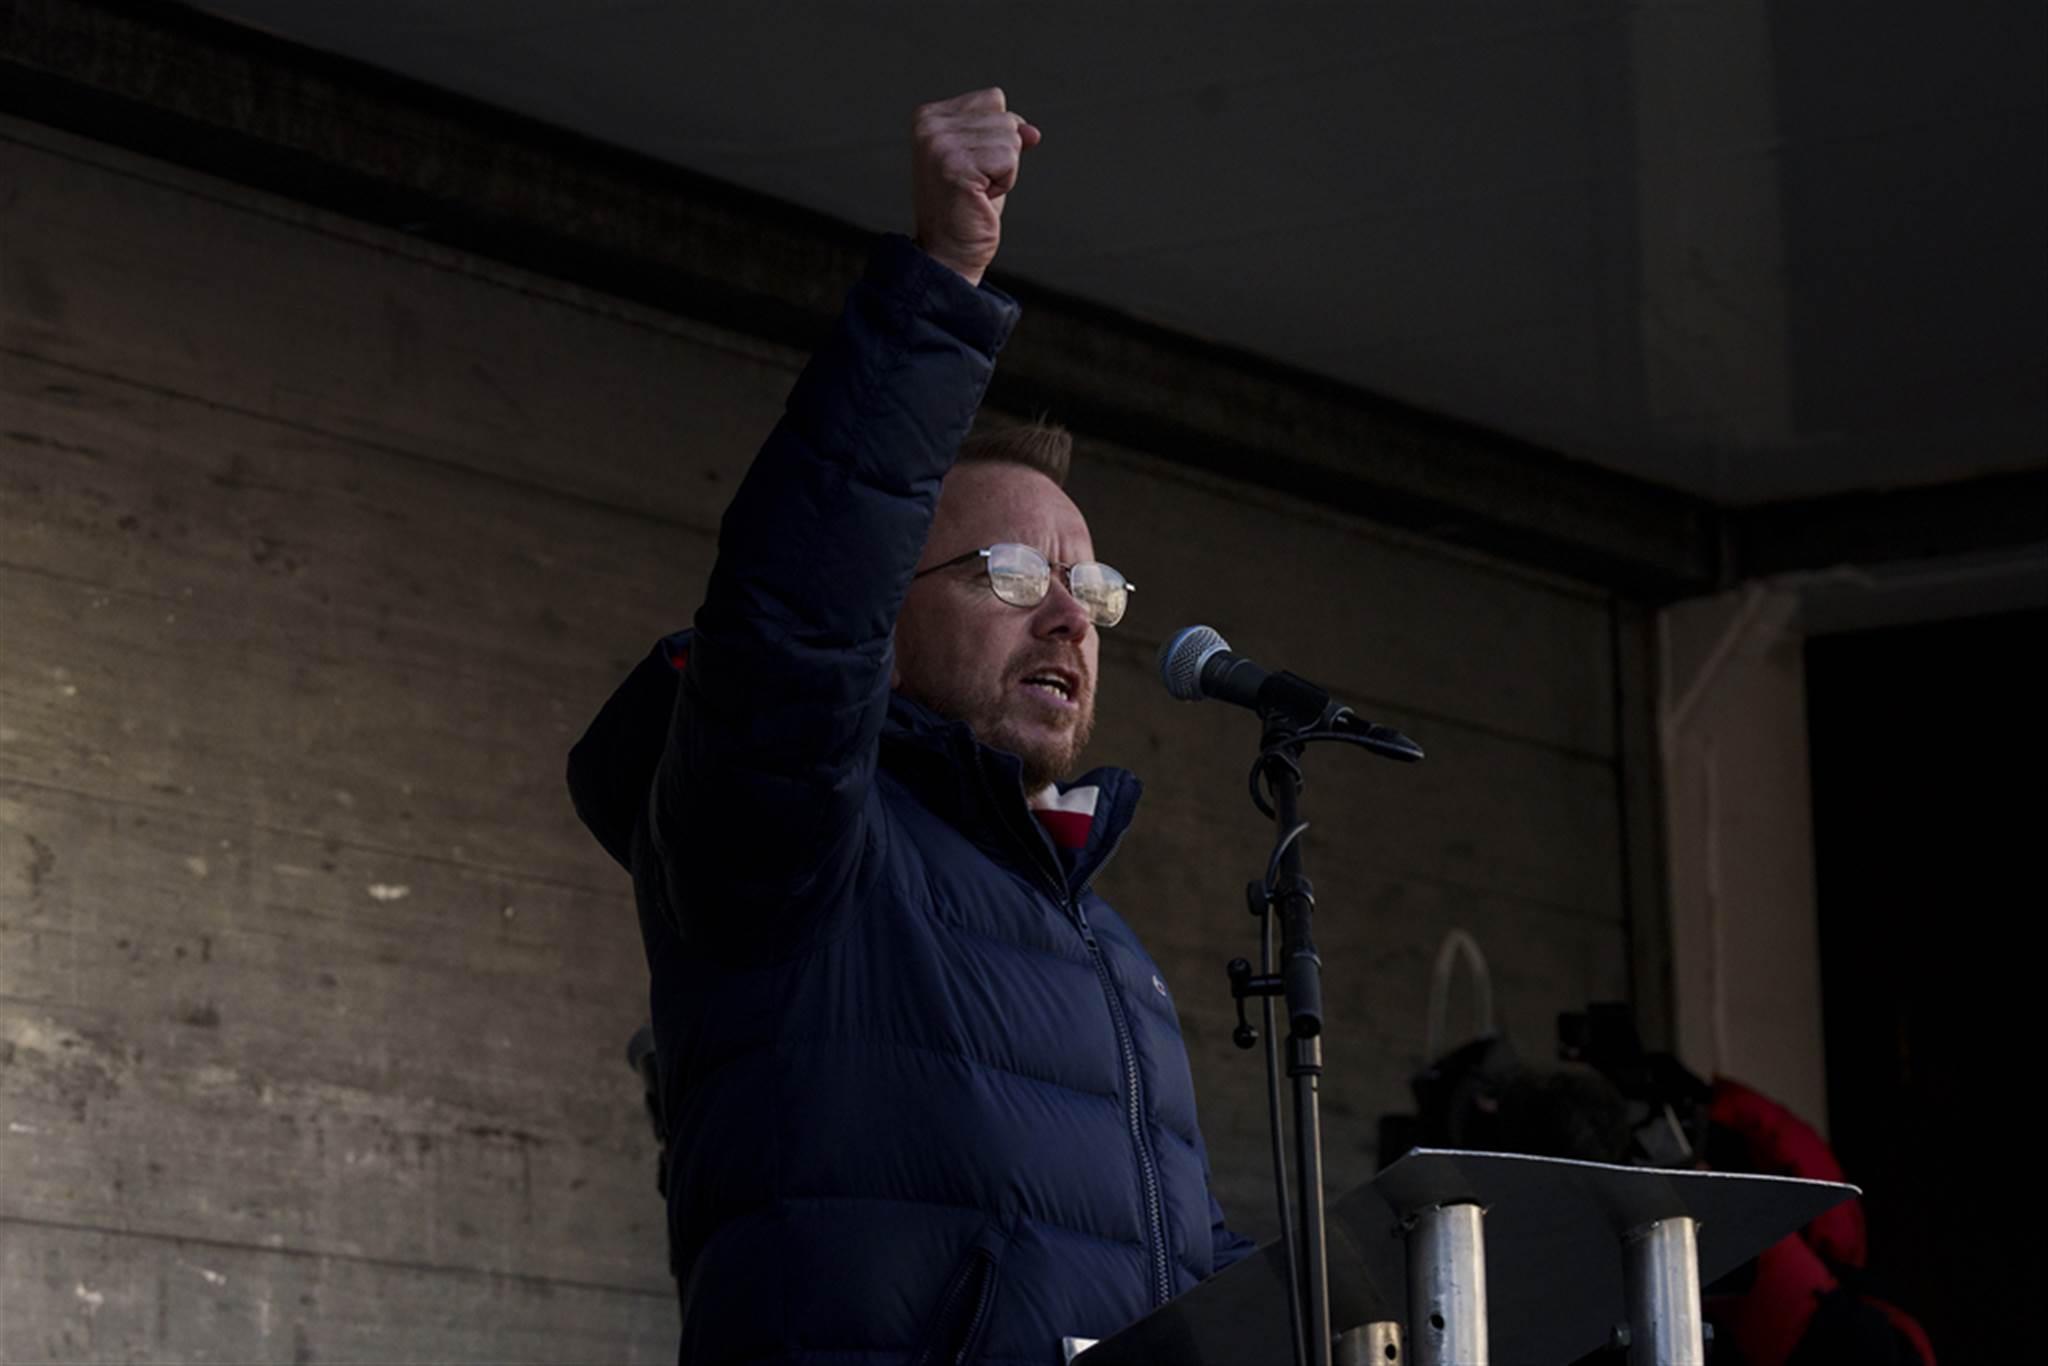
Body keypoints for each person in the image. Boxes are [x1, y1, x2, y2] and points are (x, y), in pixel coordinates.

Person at [568, 88, 1254, 1365]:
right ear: (880, 618)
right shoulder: (802, 847)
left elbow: (1168, 1270)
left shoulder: (1107, 948)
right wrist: (940, 284)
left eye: (1090, 588)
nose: (1069, 618)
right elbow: (797, 607)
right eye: (1010, 574)